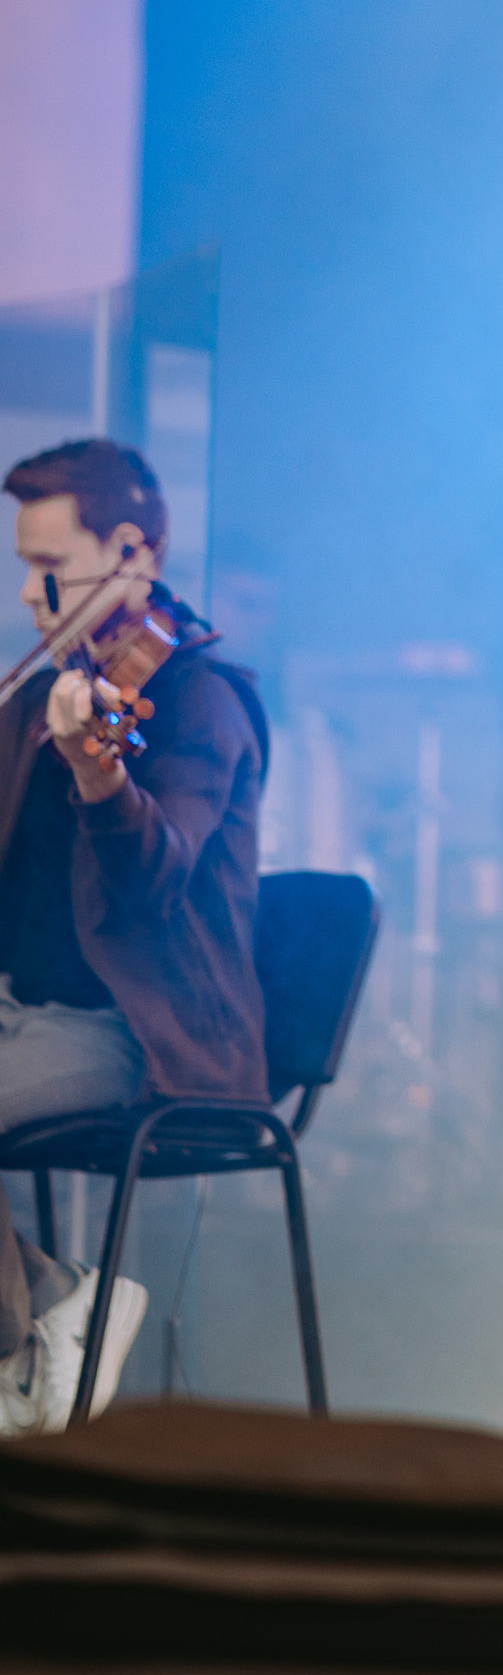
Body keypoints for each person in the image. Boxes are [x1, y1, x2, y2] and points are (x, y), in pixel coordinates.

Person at [0, 438, 268, 1433]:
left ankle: (16, 1357)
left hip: (133, 1030)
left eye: (48, 569)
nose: (29, 596)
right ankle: (56, 1297)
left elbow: (156, 881)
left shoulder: (199, 701)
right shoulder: (42, 698)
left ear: (130, 553)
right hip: (18, 1006)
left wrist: (100, 776)